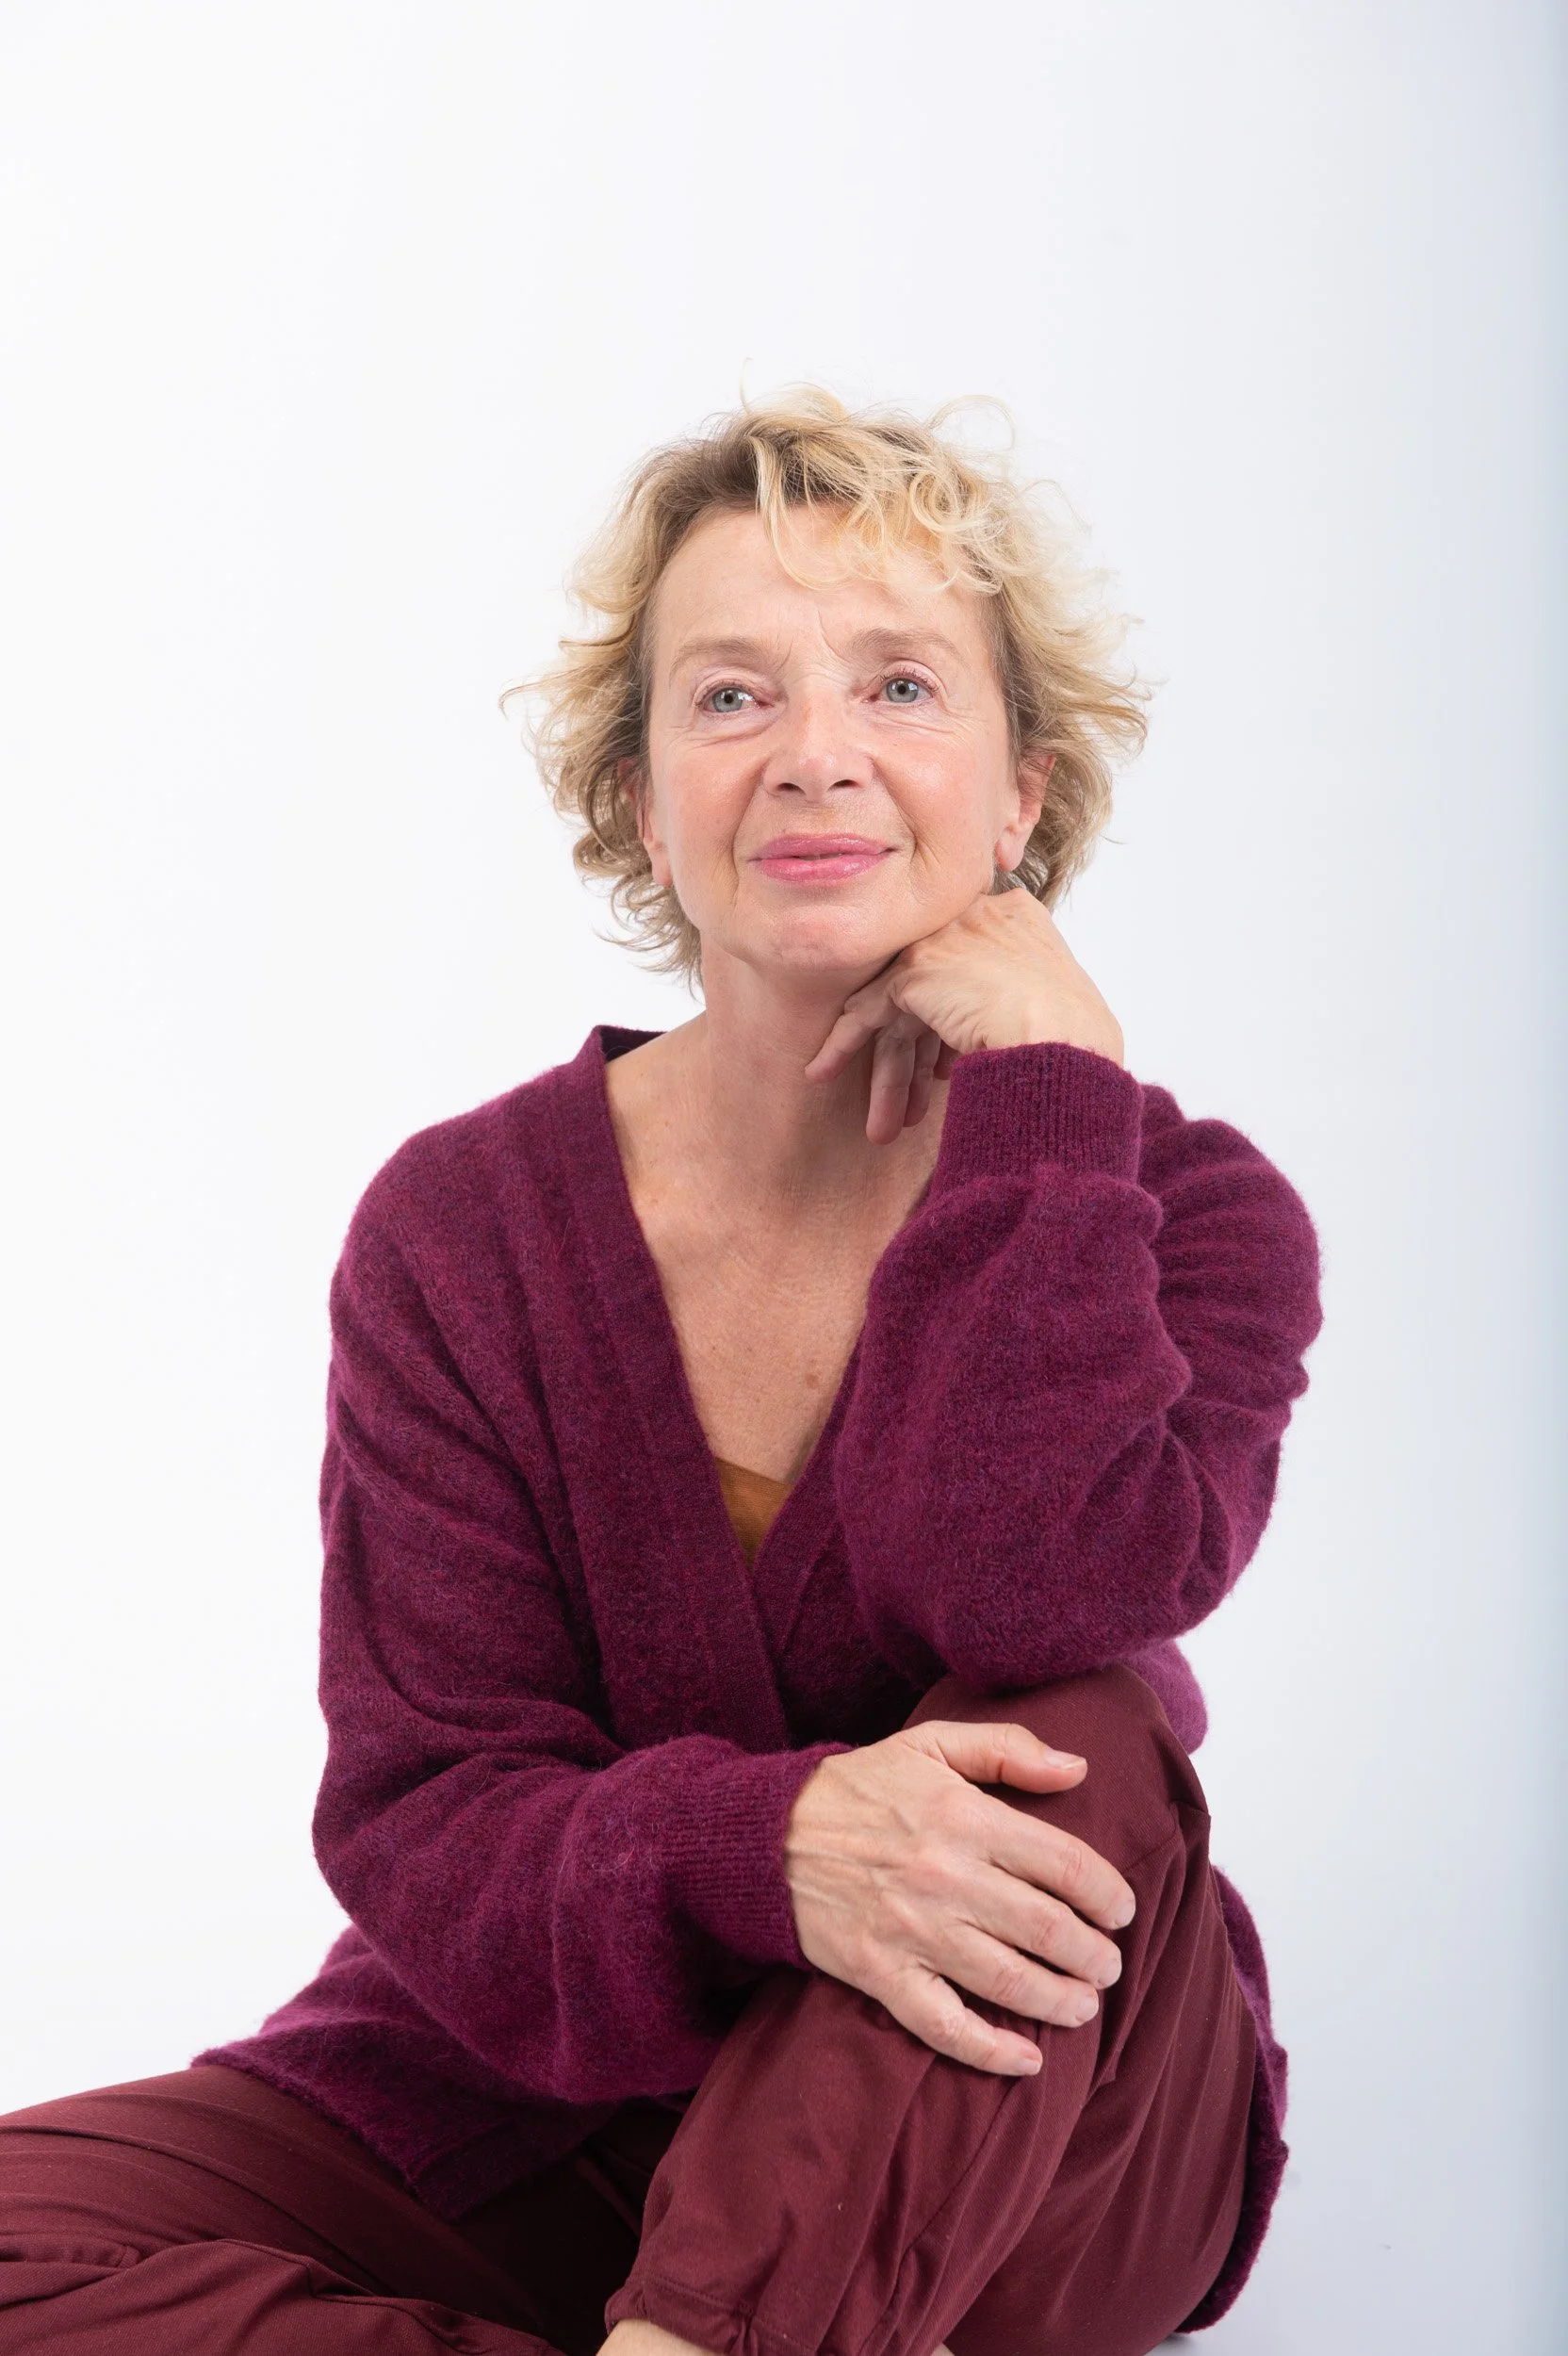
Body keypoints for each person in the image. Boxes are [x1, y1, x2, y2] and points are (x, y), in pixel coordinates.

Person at [0, 391, 1322, 2356]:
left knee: (1070, 1733)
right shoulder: (459, 1231)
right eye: (727, 698)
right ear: (635, 799)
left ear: (1020, 791)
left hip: (1034, 2125)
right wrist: (773, 1849)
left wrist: (1049, 1102)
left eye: (896, 683)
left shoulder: (1187, 1207)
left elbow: (1042, 1589)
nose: (816, 754)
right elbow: (430, 1811)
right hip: (537, 2106)